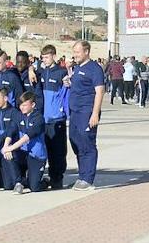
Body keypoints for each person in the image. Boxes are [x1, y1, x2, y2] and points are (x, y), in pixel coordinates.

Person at [65, 40, 104, 190]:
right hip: (75, 112)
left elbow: (100, 91)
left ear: (86, 52)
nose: (75, 55)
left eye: (77, 52)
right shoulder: (77, 67)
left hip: (86, 112)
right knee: (75, 141)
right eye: (74, 52)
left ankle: (88, 179)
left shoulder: (94, 68)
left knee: (87, 143)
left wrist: (95, 114)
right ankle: (81, 177)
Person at [36, 44, 69, 189]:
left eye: (47, 57)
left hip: (57, 118)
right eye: (43, 58)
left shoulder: (61, 73)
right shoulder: (41, 73)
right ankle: (47, 175)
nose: (45, 60)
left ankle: (57, 178)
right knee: (46, 149)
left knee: (58, 151)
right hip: (44, 119)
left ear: (54, 56)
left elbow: (67, 90)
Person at [3, 91, 46, 193]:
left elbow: (26, 137)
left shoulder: (39, 118)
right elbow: (10, 131)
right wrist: (6, 147)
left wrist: (10, 147)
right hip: (22, 153)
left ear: (33, 105)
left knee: (34, 187)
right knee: (9, 154)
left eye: (25, 105)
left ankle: (44, 182)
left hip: (36, 156)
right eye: (20, 105)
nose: (22, 107)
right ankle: (18, 183)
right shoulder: (19, 116)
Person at [0, 87, 18, 190]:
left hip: (7, 145)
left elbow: (10, 132)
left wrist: (6, 146)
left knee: (8, 186)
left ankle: (19, 181)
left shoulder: (14, 112)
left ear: (5, 98)